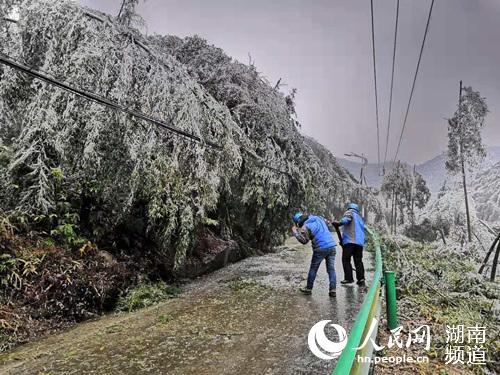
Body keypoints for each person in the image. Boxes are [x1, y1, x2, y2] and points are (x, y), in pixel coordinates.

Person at [292, 212, 337, 296]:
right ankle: (333, 290)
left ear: (298, 222)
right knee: (331, 269)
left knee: (313, 269)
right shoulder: (318, 218)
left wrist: (295, 232)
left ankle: (308, 288)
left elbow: (304, 241)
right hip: (331, 246)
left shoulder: (305, 227)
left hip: (320, 248)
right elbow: (328, 223)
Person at [333, 203, 366, 287]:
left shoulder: (350, 213)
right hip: (359, 243)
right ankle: (361, 280)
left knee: (346, 259)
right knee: (358, 261)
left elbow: (347, 219)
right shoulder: (359, 218)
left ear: (349, 208)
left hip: (350, 241)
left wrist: (339, 223)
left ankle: (349, 278)